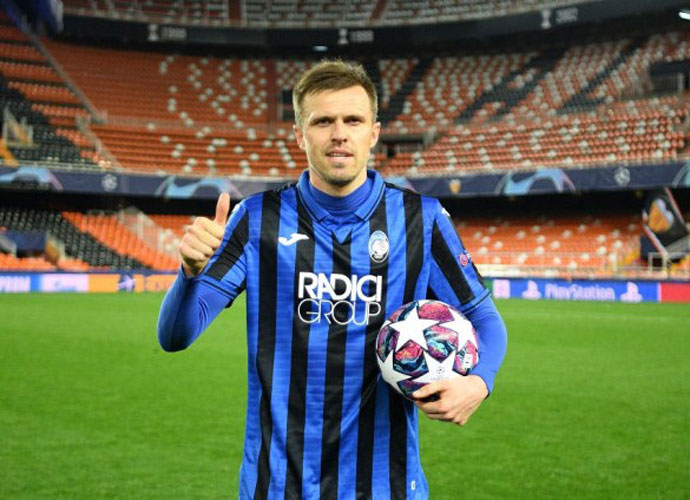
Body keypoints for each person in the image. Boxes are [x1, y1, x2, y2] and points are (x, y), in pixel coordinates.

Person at [157, 59, 507, 499]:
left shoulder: (421, 219)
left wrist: (479, 382)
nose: (339, 133)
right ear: (299, 135)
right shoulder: (256, 219)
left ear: (373, 133)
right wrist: (189, 274)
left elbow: (484, 318)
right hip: (277, 485)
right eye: (323, 121)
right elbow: (175, 336)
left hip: (385, 486)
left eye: (353, 120)